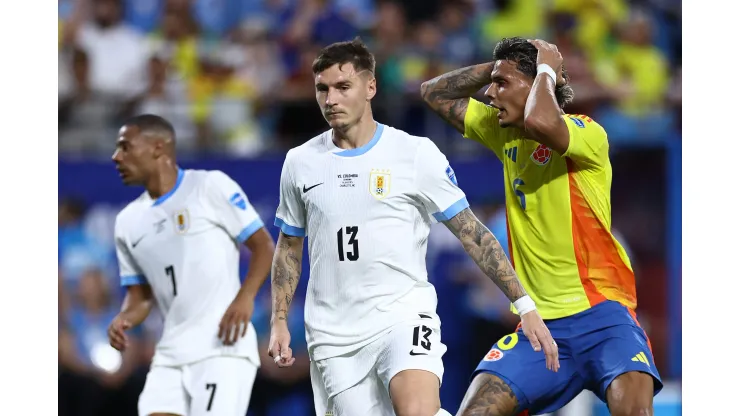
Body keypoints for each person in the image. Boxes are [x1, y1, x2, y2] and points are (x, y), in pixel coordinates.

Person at [267, 38, 557, 416]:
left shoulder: (414, 153)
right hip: (332, 334)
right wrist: (278, 322)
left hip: (402, 316)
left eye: (343, 87)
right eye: (322, 89)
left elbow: (472, 233)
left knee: (416, 409)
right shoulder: (300, 162)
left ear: (370, 87)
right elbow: (289, 247)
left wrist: (524, 305)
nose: (330, 99)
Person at [420, 37, 662, 416]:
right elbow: (434, 92)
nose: (489, 92)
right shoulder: (502, 132)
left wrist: (546, 67)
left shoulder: (586, 134)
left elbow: (541, 120)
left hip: (604, 318)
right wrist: (497, 66)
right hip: (540, 327)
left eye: (502, 84)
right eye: (492, 83)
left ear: (535, 86)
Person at [107, 114, 275, 416]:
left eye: (125, 147)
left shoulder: (209, 186)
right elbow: (140, 296)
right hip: (171, 353)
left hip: (222, 347)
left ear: (158, 147)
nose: (115, 156)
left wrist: (245, 297)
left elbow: (263, 246)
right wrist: (125, 318)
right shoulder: (126, 222)